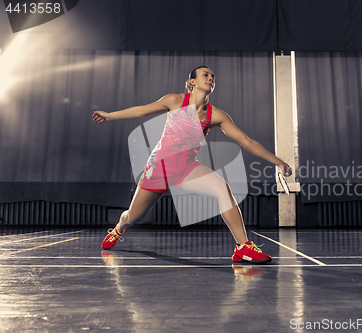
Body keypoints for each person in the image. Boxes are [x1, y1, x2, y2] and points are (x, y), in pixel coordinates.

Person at [92, 66, 292, 264]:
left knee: (223, 188)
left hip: (186, 169)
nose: (211, 78)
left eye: (213, 76)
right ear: (192, 82)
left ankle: (243, 247)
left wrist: (279, 162)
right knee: (133, 216)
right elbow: (141, 111)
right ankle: (119, 228)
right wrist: (109, 115)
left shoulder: (217, 116)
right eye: (205, 75)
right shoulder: (174, 101)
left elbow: (247, 142)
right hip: (158, 168)